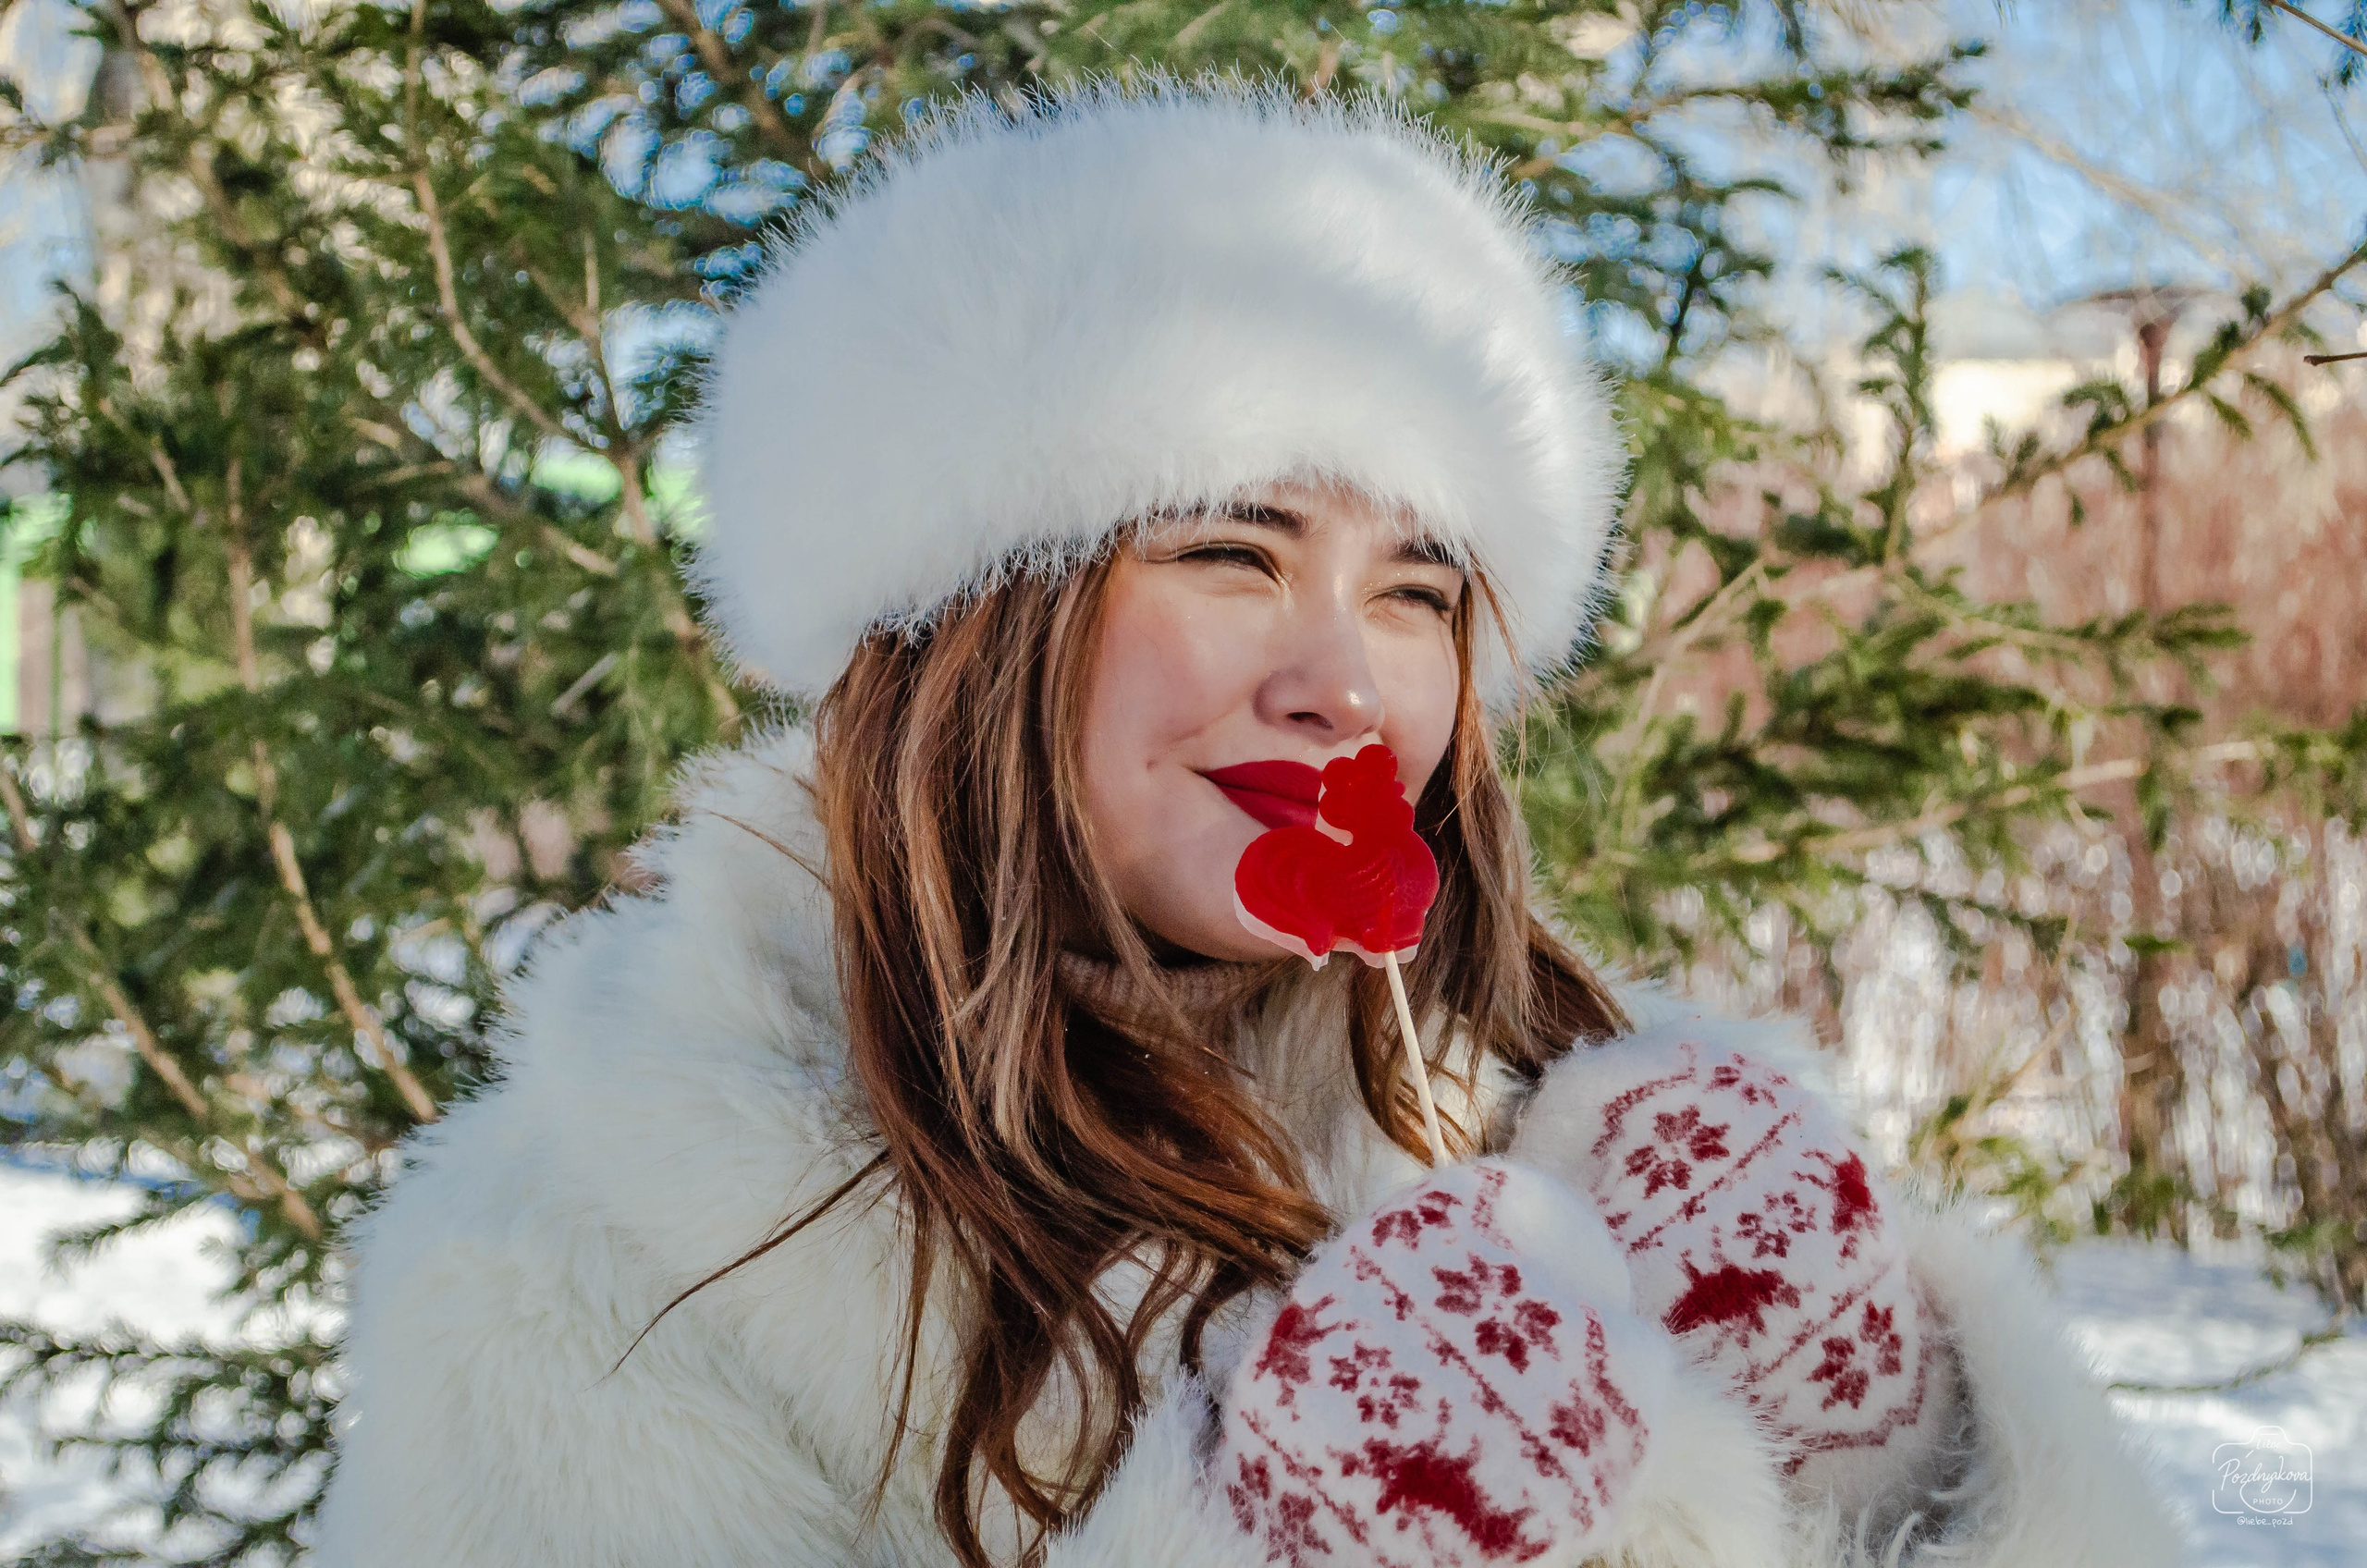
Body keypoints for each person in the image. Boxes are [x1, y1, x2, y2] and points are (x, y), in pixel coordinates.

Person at [314, 80, 2179, 1568]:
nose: (1345, 685)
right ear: (974, 623)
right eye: (1231, 552)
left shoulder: (1546, 1129)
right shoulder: (570, 1281)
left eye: (1416, 593)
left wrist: (1882, 1454)